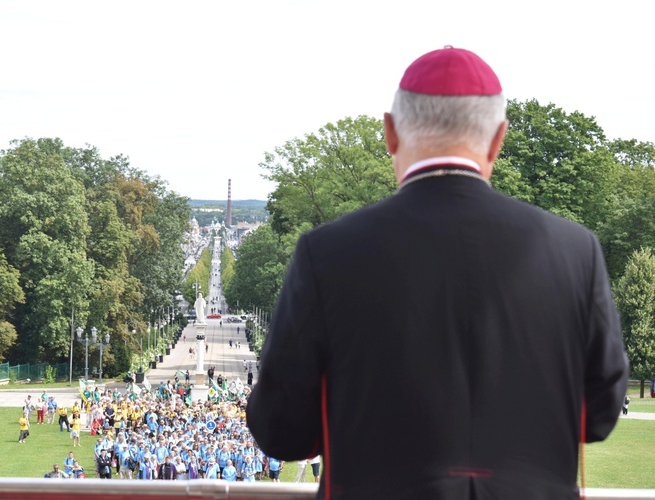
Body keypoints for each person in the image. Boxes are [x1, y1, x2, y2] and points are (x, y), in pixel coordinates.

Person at [246, 46, 629, 499]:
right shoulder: (575, 250)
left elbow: (281, 429)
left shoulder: (326, 252)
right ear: (498, 138)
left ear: (390, 132)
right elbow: (600, 413)